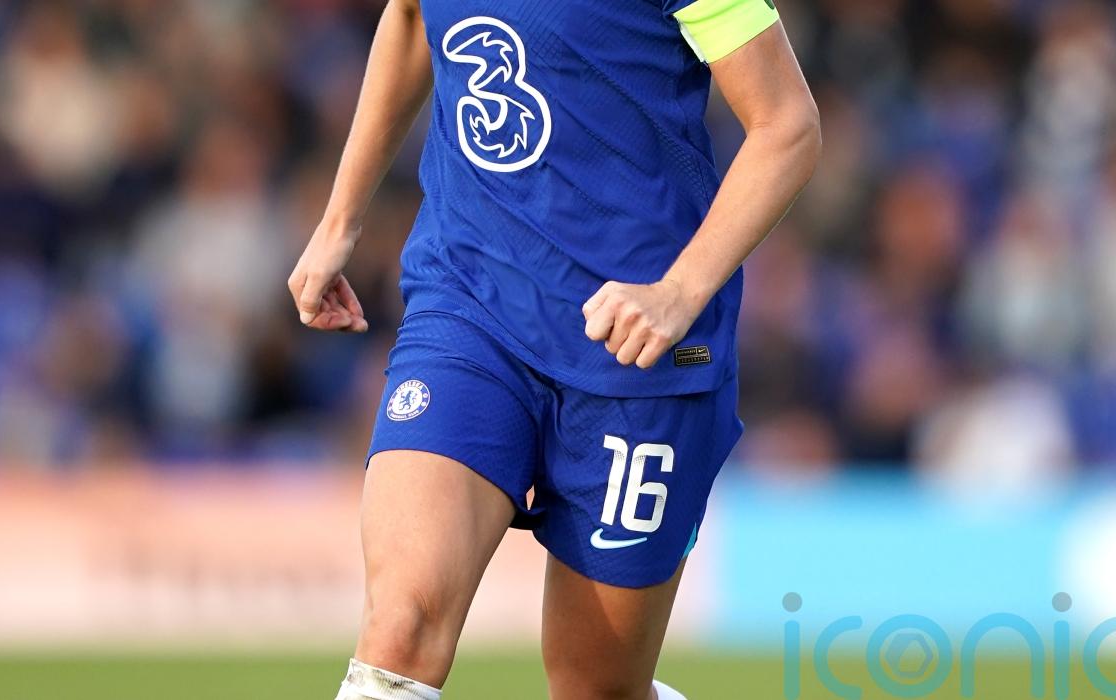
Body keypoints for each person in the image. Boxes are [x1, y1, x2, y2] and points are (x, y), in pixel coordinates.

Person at [288, 0, 820, 696]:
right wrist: (340, 220)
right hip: (469, 305)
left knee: (594, 685)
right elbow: (413, 17)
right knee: (398, 630)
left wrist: (679, 290)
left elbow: (787, 126)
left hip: (631, 348)